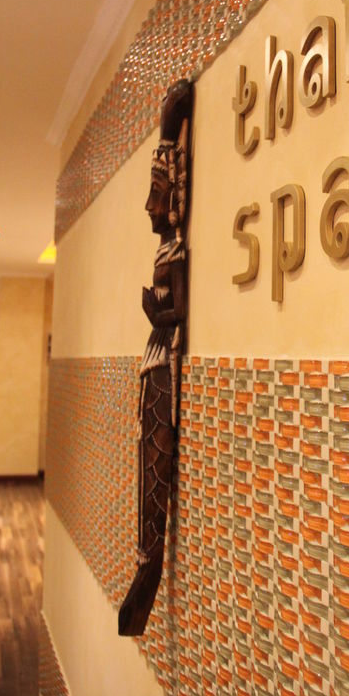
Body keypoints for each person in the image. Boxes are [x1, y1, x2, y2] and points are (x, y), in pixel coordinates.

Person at [119, 79, 192, 637]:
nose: (150, 204)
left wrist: (156, 313)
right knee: (146, 457)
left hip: (164, 361)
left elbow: (180, 310)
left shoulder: (177, 250)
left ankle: (150, 562)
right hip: (154, 361)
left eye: (157, 192)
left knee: (155, 459)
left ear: (174, 197)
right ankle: (145, 560)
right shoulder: (164, 247)